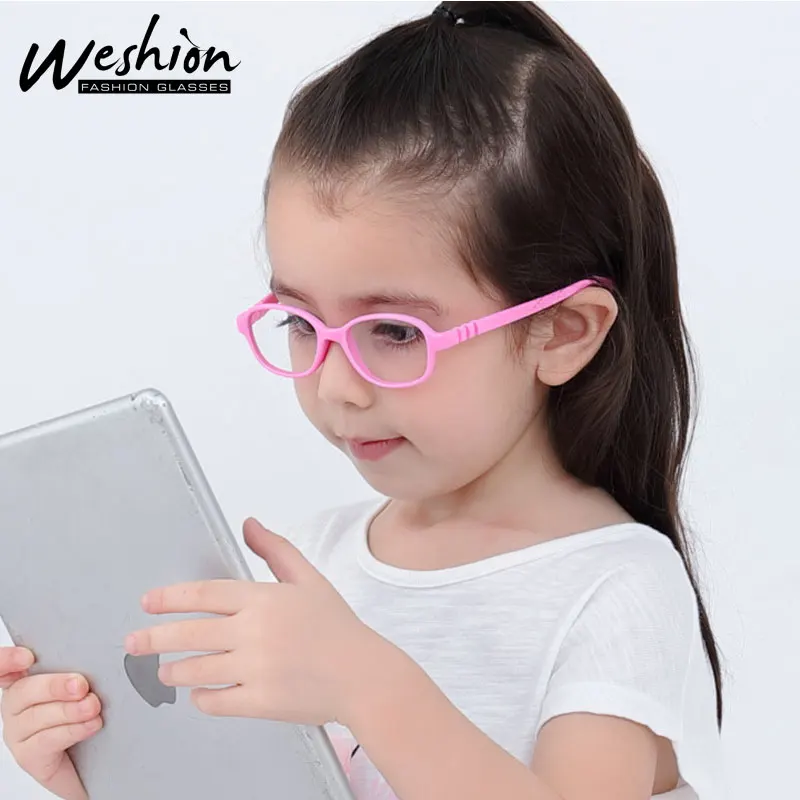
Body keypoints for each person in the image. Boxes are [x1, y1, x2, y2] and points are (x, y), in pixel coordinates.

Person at [1, 2, 725, 799]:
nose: (336, 385)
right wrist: (99, 773)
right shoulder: (317, 562)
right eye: (300, 323)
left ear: (561, 332)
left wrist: (368, 685)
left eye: (395, 332)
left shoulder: (615, 585)